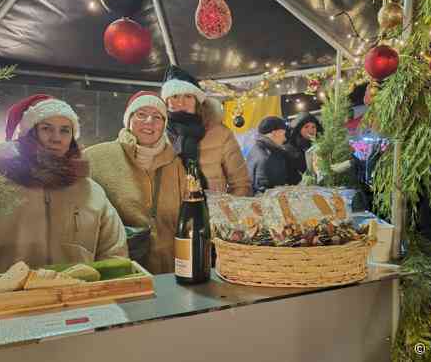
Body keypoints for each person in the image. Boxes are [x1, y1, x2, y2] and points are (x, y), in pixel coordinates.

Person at [0, 94, 128, 282]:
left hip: (74, 305)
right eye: (46, 128)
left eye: (65, 130)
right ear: (29, 133)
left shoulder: (90, 191)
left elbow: (113, 251)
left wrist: (104, 294)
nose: (56, 138)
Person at [85, 91, 187, 274]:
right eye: (141, 114)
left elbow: (188, 216)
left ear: (164, 125)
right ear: (128, 119)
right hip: (121, 270)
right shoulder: (95, 158)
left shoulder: (176, 164)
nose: (149, 121)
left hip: (170, 269)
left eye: (158, 117)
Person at [161, 65, 251, 196]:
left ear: (197, 102)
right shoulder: (157, 134)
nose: (181, 103)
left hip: (212, 213)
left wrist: (223, 213)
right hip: (169, 215)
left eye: (188, 96)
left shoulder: (221, 134)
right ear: (166, 102)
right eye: (174, 96)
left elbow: (241, 184)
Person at [246, 116, 290, 194]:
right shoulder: (268, 155)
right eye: (283, 134)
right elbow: (264, 190)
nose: (285, 138)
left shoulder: (256, 149)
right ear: (274, 133)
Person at [283, 112, 323, 185]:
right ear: (298, 129)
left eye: (313, 127)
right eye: (306, 127)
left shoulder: (320, 146)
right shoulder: (289, 149)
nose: (311, 130)